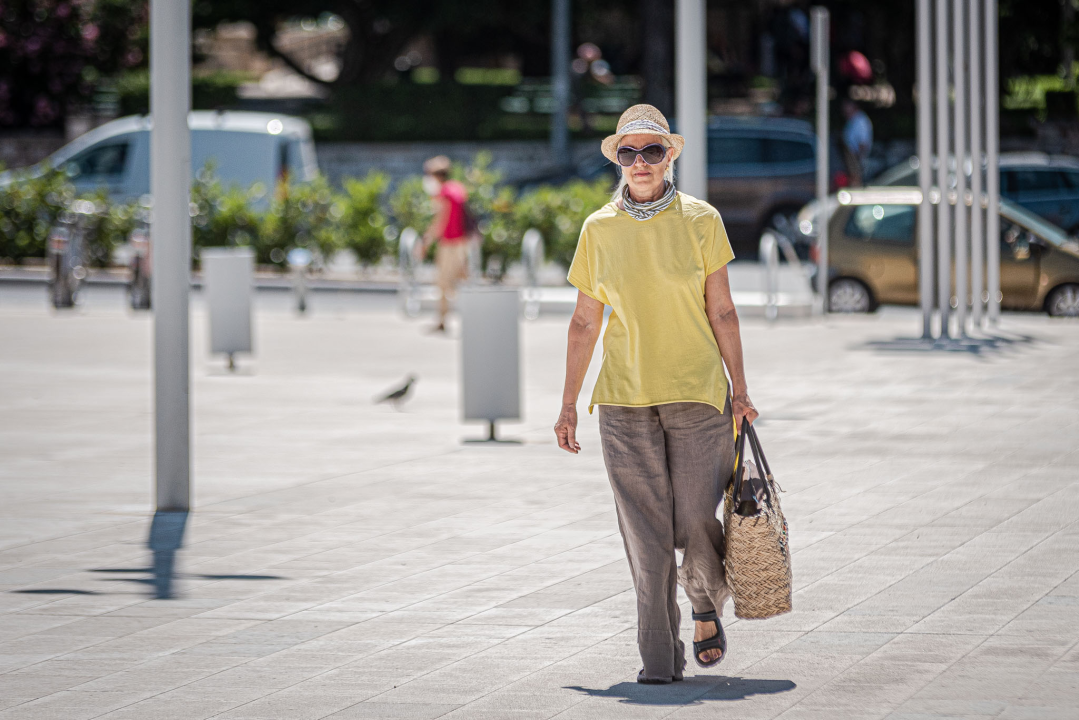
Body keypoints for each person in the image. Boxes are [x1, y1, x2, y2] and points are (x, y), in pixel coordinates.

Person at [554, 104, 759, 684]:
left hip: (698, 394)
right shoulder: (599, 229)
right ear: (617, 160)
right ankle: (658, 658)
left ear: (670, 156)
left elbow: (722, 310)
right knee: (644, 536)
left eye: (652, 150)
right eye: (629, 152)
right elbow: (584, 322)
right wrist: (568, 405)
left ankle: (703, 603)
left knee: (695, 520)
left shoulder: (701, 220)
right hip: (623, 400)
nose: (640, 162)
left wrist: (740, 390)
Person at [420, 155, 470, 332]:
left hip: (449, 244)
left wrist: (426, 242)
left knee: (443, 283)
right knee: (459, 280)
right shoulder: (458, 187)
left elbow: (440, 221)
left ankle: (443, 320)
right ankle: (449, 318)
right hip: (462, 242)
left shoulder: (444, 193)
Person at [841, 99, 873, 187]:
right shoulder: (851, 120)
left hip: (856, 157)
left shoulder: (860, 121)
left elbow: (863, 143)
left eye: (846, 107)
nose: (844, 110)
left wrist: (859, 161)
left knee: (856, 180)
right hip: (850, 156)